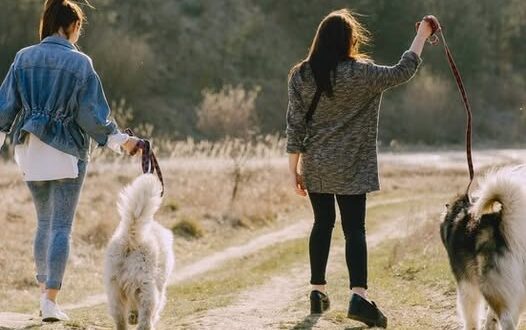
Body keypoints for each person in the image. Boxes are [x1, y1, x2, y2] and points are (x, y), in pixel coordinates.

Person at [286, 9, 437, 327]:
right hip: (353, 165)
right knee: (355, 229)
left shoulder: (301, 75)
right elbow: (402, 70)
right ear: (349, 41)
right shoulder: (362, 74)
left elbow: (295, 126)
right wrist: (422, 35)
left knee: (322, 224)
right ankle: (359, 296)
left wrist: (294, 170)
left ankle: (317, 291)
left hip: (317, 165)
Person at [0, 0, 141, 322]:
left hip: (30, 148)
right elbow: (93, 116)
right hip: (67, 151)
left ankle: (43, 296)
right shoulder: (80, 63)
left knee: (44, 223)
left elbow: (4, 109)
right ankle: (50, 301)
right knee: (61, 225)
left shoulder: (23, 58)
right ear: (73, 26)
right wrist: (121, 142)